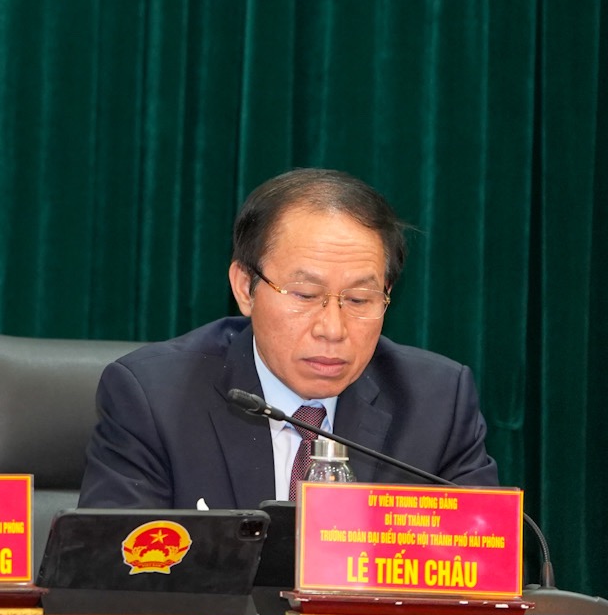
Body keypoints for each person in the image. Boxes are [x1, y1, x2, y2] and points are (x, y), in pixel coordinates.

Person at [79, 168, 498, 509]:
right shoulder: (154, 397)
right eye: (304, 295)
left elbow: (486, 565)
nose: (332, 329)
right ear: (245, 288)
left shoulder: (437, 403)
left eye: (358, 299)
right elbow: (116, 570)